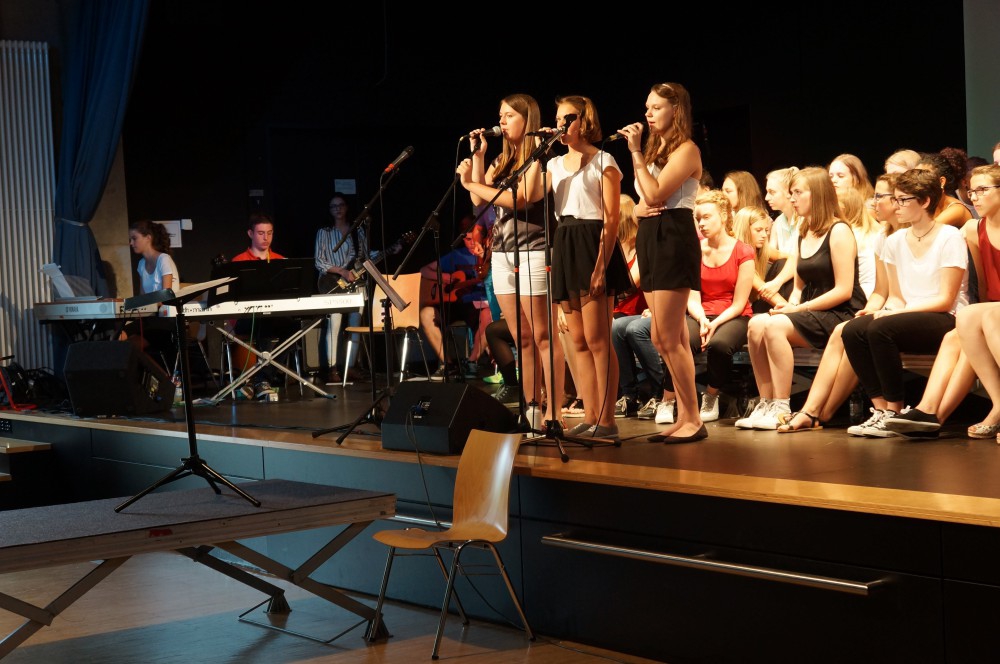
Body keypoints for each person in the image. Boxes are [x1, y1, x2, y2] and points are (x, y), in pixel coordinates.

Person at [457, 93, 563, 431]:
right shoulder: (503, 159)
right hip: (503, 254)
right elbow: (478, 200)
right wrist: (478, 158)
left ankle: (554, 411)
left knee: (543, 336)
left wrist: (472, 183)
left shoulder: (542, 158)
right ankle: (530, 408)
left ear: (526, 119)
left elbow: (521, 199)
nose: (501, 121)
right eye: (500, 115)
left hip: (534, 251)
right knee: (523, 337)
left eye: (509, 116)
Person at [840, 168, 969, 437]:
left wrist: (893, 315)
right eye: (895, 199)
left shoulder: (949, 237)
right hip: (910, 316)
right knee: (853, 329)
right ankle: (881, 410)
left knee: (881, 328)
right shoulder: (895, 240)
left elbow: (945, 300)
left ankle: (895, 410)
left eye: (903, 200)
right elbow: (897, 297)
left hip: (947, 317)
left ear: (925, 201)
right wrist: (883, 310)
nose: (895, 206)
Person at [736, 166, 866, 430]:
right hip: (811, 310)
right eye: (791, 193)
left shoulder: (839, 231)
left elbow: (843, 290)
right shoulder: (804, 230)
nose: (792, 198)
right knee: (757, 324)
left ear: (816, 194)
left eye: (798, 192)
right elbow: (798, 286)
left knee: (774, 327)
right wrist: (790, 305)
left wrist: (798, 309)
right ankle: (766, 402)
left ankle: (782, 406)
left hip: (840, 311)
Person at [776, 173, 908, 432]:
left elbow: (847, 289)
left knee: (854, 331)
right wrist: (872, 308)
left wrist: (884, 310)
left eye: (881, 196)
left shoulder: (845, 231)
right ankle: (815, 412)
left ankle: (878, 410)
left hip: (911, 311)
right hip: (888, 308)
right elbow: (882, 291)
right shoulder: (884, 237)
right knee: (848, 331)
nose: (875, 202)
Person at [617, 82, 706, 443]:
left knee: (668, 335)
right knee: (662, 335)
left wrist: (635, 152)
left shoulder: (687, 150)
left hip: (673, 237)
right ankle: (684, 415)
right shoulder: (658, 150)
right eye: (647, 107)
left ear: (676, 110)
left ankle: (694, 419)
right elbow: (643, 201)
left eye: (656, 107)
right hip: (651, 235)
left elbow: (655, 193)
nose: (648, 114)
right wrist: (636, 211)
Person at [885, 164, 1000, 438]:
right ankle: (929, 415)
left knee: (974, 318)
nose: (974, 197)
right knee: (959, 333)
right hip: (992, 308)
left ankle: (987, 410)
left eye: (983, 190)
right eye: (971, 191)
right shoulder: (973, 229)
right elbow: (985, 285)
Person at [546, 95, 629, 440]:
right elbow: (526, 197)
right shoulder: (552, 165)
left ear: (585, 121)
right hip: (565, 242)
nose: (561, 125)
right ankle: (590, 413)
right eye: (558, 119)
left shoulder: (604, 160)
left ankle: (607, 419)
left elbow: (611, 219)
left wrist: (600, 267)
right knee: (577, 340)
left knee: (597, 339)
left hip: (593, 243)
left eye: (568, 118)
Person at [685, 190, 755, 421]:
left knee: (719, 344)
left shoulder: (743, 251)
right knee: (681, 339)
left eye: (707, 217)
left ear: (723, 216)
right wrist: (702, 320)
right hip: (701, 312)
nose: (701, 224)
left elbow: (739, 303)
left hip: (734, 315)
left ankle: (711, 396)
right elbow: (692, 298)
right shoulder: (695, 249)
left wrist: (714, 324)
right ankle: (674, 399)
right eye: (698, 219)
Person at [231, 212, 296, 399]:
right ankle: (262, 380)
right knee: (264, 321)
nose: (266, 238)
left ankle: (259, 379)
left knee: (294, 328)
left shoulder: (280, 260)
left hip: (271, 317)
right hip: (245, 320)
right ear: (250, 234)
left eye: (269, 233)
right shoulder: (238, 261)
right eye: (261, 233)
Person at [418, 230, 488, 380]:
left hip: (478, 302)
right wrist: (444, 276)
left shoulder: (488, 256)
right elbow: (424, 270)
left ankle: (472, 362)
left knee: (488, 315)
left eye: (474, 238)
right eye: (467, 239)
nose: (471, 243)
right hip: (453, 303)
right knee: (426, 314)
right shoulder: (456, 255)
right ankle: (448, 365)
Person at [313, 192, 365, 384]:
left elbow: (365, 256)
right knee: (334, 324)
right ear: (329, 210)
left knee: (355, 326)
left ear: (346, 207)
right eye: (334, 206)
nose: (338, 209)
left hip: (356, 282)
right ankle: (332, 368)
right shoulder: (324, 232)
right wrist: (342, 271)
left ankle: (350, 366)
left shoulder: (357, 230)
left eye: (341, 205)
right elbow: (319, 261)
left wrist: (392, 249)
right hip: (332, 282)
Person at [121, 219, 178, 371]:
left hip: (167, 319)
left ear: (148, 238)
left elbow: (166, 297)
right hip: (151, 318)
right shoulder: (141, 264)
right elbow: (142, 298)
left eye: (134, 238)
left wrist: (143, 305)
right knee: (120, 335)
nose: (131, 243)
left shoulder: (164, 259)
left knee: (127, 342)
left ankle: (154, 375)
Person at [915, 152, 974, 229]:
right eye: (915, 176)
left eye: (923, 177)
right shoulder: (924, 205)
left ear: (942, 182)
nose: (916, 182)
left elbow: (925, 230)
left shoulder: (957, 209)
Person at [763, 166, 800, 258]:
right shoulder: (778, 222)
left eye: (772, 192)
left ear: (789, 192)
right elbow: (770, 255)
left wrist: (778, 255)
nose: (766, 198)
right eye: (767, 192)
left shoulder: (805, 221)